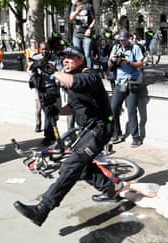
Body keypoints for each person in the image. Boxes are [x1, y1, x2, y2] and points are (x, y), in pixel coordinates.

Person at [13, 46, 125, 227]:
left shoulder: (90, 77)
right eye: (63, 58)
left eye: (70, 57)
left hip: (100, 129)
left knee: (72, 164)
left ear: (81, 59)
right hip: (89, 129)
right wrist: (56, 110)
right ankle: (111, 188)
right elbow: (74, 107)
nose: (65, 60)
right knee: (80, 167)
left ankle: (42, 209)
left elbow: (73, 82)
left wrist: (53, 71)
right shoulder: (73, 80)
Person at [108, 29, 146, 147]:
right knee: (113, 109)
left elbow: (141, 64)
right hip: (119, 83)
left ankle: (135, 137)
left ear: (128, 39)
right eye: (120, 40)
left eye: (124, 40)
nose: (122, 42)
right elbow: (109, 66)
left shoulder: (135, 48)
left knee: (131, 110)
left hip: (131, 82)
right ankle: (116, 133)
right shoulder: (116, 48)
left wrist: (128, 62)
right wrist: (113, 60)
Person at [29, 42, 63, 145]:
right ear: (40, 49)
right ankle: (50, 136)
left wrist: (52, 71)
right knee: (47, 113)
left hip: (52, 89)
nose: (44, 51)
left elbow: (60, 72)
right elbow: (29, 71)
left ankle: (50, 136)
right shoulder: (36, 57)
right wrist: (35, 67)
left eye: (46, 49)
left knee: (52, 113)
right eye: (43, 49)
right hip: (41, 89)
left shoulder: (55, 59)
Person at [69, 0, 96, 69]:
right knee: (78, 54)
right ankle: (79, 70)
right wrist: (76, 11)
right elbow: (71, 18)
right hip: (76, 35)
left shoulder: (89, 6)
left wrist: (89, 29)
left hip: (86, 35)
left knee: (87, 54)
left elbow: (94, 19)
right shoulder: (74, 6)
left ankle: (89, 72)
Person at [25, 38, 42, 132]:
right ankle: (38, 124)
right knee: (38, 107)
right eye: (31, 42)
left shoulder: (40, 53)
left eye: (34, 41)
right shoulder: (28, 51)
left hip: (45, 85)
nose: (33, 43)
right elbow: (28, 67)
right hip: (37, 84)